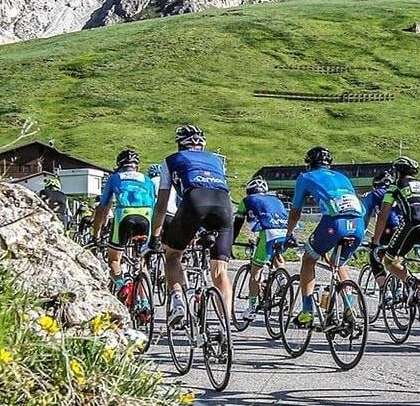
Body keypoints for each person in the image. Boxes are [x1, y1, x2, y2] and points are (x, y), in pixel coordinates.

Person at [149, 125, 234, 324]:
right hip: (224, 205)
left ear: (180, 144)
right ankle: (225, 325)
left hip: (194, 201)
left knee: (172, 255)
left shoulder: (170, 160)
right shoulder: (215, 160)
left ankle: (178, 301)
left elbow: (161, 205)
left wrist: (154, 237)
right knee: (221, 270)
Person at [286, 145, 366, 327]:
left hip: (334, 223)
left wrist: (289, 233)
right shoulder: (342, 177)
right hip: (358, 224)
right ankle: (350, 308)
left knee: (308, 259)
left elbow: (295, 212)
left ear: (309, 164)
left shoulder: (305, 177)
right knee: (339, 265)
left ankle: (307, 312)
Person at [369, 156, 420, 288]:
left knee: (389, 261)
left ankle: (411, 281)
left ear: (398, 172)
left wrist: (375, 242)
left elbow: (383, 215)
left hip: (411, 224)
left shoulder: (395, 186)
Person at [93, 149, 157, 279]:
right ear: (137, 167)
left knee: (114, 260)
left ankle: (121, 286)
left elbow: (102, 208)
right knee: (141, 261)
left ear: (119, 166)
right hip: (146, 216)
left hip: (124, 214)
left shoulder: (114, 178)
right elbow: (154, 205)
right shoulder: (148, 180)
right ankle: (144, 299)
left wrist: (96, 235)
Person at [233, 177, 291, 312]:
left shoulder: (246, 201)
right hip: (285, 233)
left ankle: (251, 308)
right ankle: (282, 278)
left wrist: (231, 241)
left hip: (268, 235)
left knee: (256, 272)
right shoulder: (276, 200)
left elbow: (238, 223)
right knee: (277, 256)